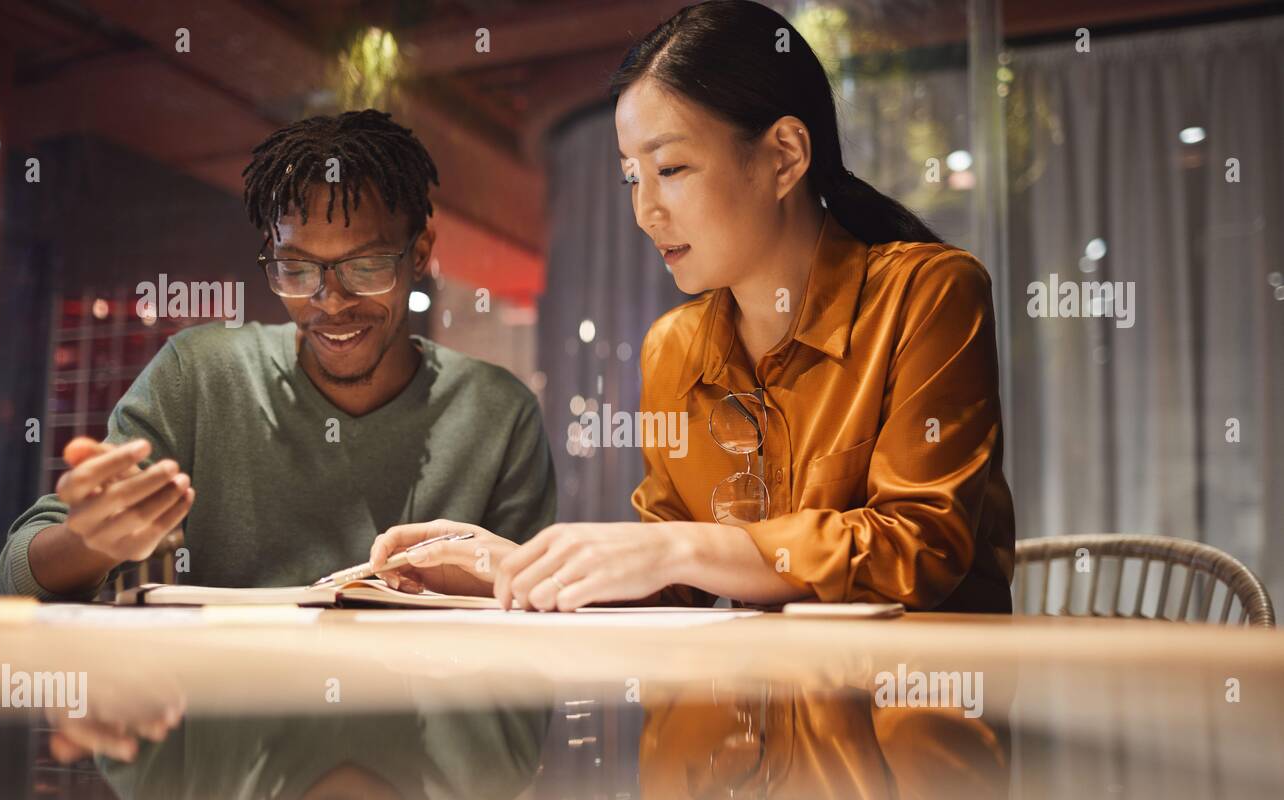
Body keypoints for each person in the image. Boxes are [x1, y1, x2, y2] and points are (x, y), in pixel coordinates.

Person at [370, 0, 1014, 614]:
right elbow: (675, 583)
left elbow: (920, 546)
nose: (645, 211)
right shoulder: (673, 347)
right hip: (753, 701)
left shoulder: (929, 294)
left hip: (917, 707)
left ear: (785, 156)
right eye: (631, 177)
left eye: (671, 168)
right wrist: (513, 565)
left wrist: (679, 549)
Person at [0, 110, 555, 600]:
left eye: (365, 266)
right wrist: (87, 543)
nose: (330, 301)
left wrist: (503, 580)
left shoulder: (498, 413)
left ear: (421, 254)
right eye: (298, 268)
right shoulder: (202, 375)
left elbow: (546, 616)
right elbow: (13, 577)